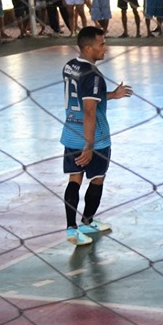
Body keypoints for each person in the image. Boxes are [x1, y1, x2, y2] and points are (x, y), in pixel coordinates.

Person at [60, 27, 132, 246]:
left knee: (74, 178)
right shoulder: (93, 75)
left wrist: (112, 95)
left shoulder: (70, 66)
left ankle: (71, 229)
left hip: (71, 132)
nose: (105, 48)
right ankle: (86, 222)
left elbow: (85, 98)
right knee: (97, 179)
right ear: (89, 48)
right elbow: (90, 110)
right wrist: (90, 145)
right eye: (101, 44)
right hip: (95, 138)